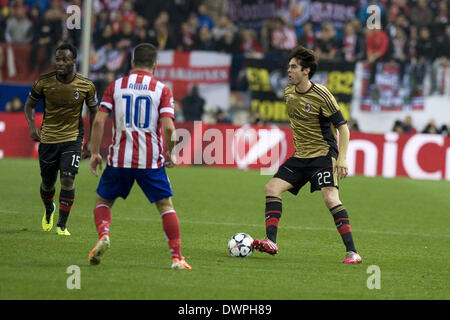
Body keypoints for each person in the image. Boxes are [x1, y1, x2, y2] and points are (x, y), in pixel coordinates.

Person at [252, 46, 362, 264]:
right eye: (289, 67)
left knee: (330, 198)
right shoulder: (288, 93)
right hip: (301, 156)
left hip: (323, 155)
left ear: (306, 71)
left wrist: (341, 158)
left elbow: (343, 128)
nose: (289, 71)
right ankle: (271, 241)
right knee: (272, 188)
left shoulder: (322, 95)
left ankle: (353, 253)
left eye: (293, 67)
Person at [87, 43, 191, 270]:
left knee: (104, 201)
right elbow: (170, 128)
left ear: (132, 63)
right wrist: (171, 153)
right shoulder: (161, 89)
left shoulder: (115, 86)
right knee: (165, 206)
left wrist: (95, 153)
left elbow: (98, 121)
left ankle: (104, 234)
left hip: (118, 159)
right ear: (155, 65)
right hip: (150, 160)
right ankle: (177, 258)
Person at [24, 42, 98, 236]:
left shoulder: (86, 85)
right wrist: (32, 127)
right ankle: (49, 209)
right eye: (58, 59)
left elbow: (95, 112)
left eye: (65, 59)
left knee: (67, 179)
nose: (60, 63)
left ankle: (62, 226)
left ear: (74, 61)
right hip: (48, 138)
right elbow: (29, 106)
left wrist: (91, 141)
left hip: (72, 138)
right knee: (47, 184)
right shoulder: (44, 82)